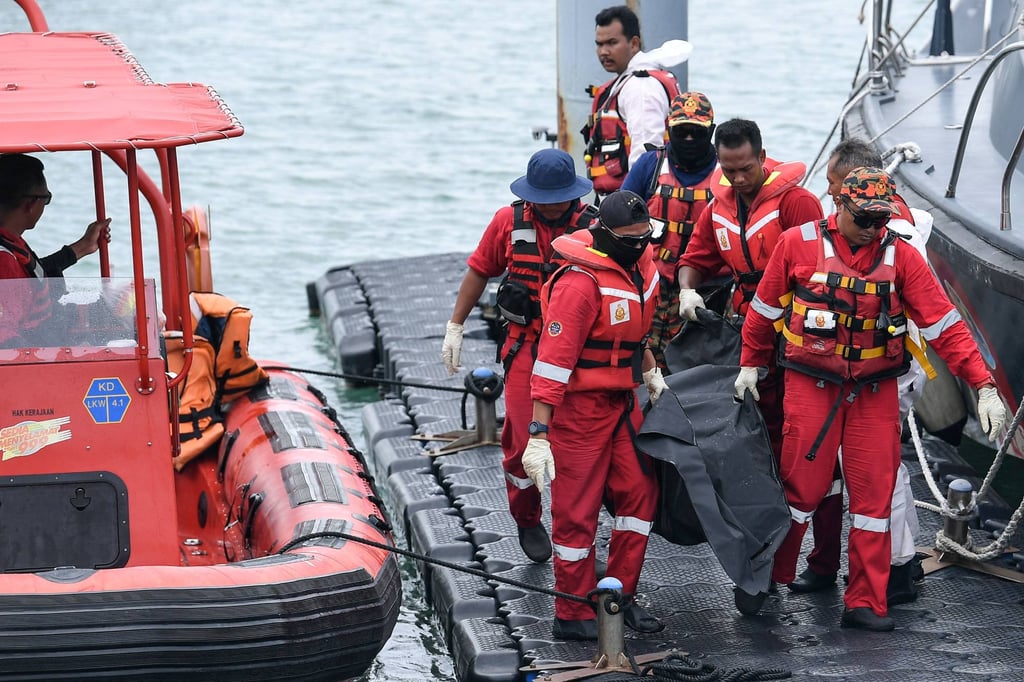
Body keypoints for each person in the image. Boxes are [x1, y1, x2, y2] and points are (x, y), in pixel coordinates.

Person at [737, 166, 1007, 631]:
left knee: (873, 501)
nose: (870, 229)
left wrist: (983, 385)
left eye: (879, 221)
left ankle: (864, 601)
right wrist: (750, 363)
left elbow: (944, 325)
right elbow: (764, 310)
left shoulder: (901, 257)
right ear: (838, 205)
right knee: (800, 490)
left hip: (873, 391)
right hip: (811, 384)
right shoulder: (797, 244)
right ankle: (766, 578)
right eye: (862, 218)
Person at [523, 190, 668, 641]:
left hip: (621, 404)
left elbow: (636, 335)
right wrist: (538, 432)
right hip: (578, 412)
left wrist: (651, 374)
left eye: (645, 237)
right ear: (604, 236)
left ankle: (618, 596)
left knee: (640, 494)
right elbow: (551, 363)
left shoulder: (642, 265)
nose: (640, 245)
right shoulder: (578, 284)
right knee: (576, 511)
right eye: (630, 239)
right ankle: (571, 609)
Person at [788, 138, 928, 603]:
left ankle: (896, 569)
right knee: (817, 476)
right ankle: (821, 563)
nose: (826, 192)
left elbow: (935, 317)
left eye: (832, 181)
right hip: (822, 373)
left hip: (884, 373)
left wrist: (983, 385)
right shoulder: (807, 242)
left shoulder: (899, 244)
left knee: (880, 476)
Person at [442, 148, 598, 564]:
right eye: (542, 199)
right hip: (526, 344)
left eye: (558, 199)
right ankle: (527, 517)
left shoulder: (596, 227)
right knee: (518, 444)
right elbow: (479, 270)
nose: (550, 207)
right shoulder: (507, 222)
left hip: (579, 351)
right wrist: (455, 325)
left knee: (579, 447)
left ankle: (577, 536)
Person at [675, 117, 823, 467]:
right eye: (729, 171)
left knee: (798, 418)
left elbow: (819, 275)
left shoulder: (796, 203)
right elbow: (695, 257)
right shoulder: (718, 206)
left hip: (794, 325)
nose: (738, 179)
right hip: (744, 319)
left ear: (762, 158)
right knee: (754, 409)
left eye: (745, 169)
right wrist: (686, 291)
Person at [620, 91, 718, 368]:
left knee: (695, 365)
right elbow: (618, 216)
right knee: (642, 358)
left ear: (710, 131)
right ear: (669, 129)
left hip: (707, 292)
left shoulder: (727, 174)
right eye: (681, 131)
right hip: (651, 284)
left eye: (696, 132)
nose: (688, 139)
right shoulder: (650, 166)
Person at [0, 153, 111, 344]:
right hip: (35, 358)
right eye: (46, 198)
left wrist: (83, 247)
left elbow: (30, 276)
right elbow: (6, 336)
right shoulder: (4, 260)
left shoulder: (10, 244)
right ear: (31, 204)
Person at [583, 5, 682, 196]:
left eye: (612, 43)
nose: (603, 51)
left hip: (633, 203)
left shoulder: (640, 87)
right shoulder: (630, 81)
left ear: (634, 43)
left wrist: (632, 208)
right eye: (599, 44)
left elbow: (646, 154)